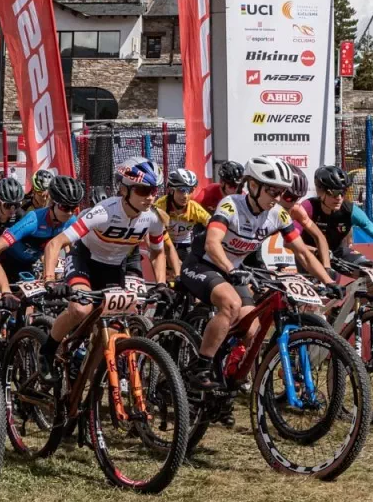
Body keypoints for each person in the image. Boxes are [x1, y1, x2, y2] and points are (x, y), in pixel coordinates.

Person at [178, 156, 337, 391]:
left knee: (251, 327)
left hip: (233, 269)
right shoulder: (231, 205)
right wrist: (232, 270)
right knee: (230, 304)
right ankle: (199, 366)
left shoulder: (278, 215)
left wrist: (327, 280)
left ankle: (225, 370)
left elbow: (302, 252)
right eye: (273, 192)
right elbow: (212, 244)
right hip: (203, 264)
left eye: (282, 193)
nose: (277, 199)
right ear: (253, 186)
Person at [37, 158, 167, 375]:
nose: (151, 196)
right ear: (125, 190)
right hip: (84, 261)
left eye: (154, 190)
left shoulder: (153, 219)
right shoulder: (104, 212)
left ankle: (87, 380)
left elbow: (158, 251)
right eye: (143, 190)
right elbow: (56, 243)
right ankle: (48, 350)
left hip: (114, 269)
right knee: (80, 309)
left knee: (113, 330)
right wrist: (49, 279)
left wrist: (161, 283)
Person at [301, 165, 373, 282]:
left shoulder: (351, 210)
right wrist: (318, 252)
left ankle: (360, 299)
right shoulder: (308, 207)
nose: (339, 197)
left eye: (342, 192)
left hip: (338, 253)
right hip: (311, 254)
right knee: (319, 291)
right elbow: (293, 242)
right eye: (334, 192)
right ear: (320, 191)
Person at [155, 168, 210, 278]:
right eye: (181, 190)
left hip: (185, 246)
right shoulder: (160, 206)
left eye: (189, 190)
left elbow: (214, 226)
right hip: (163, 246)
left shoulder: (194, 209)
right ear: (171, 190)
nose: (185, 195)